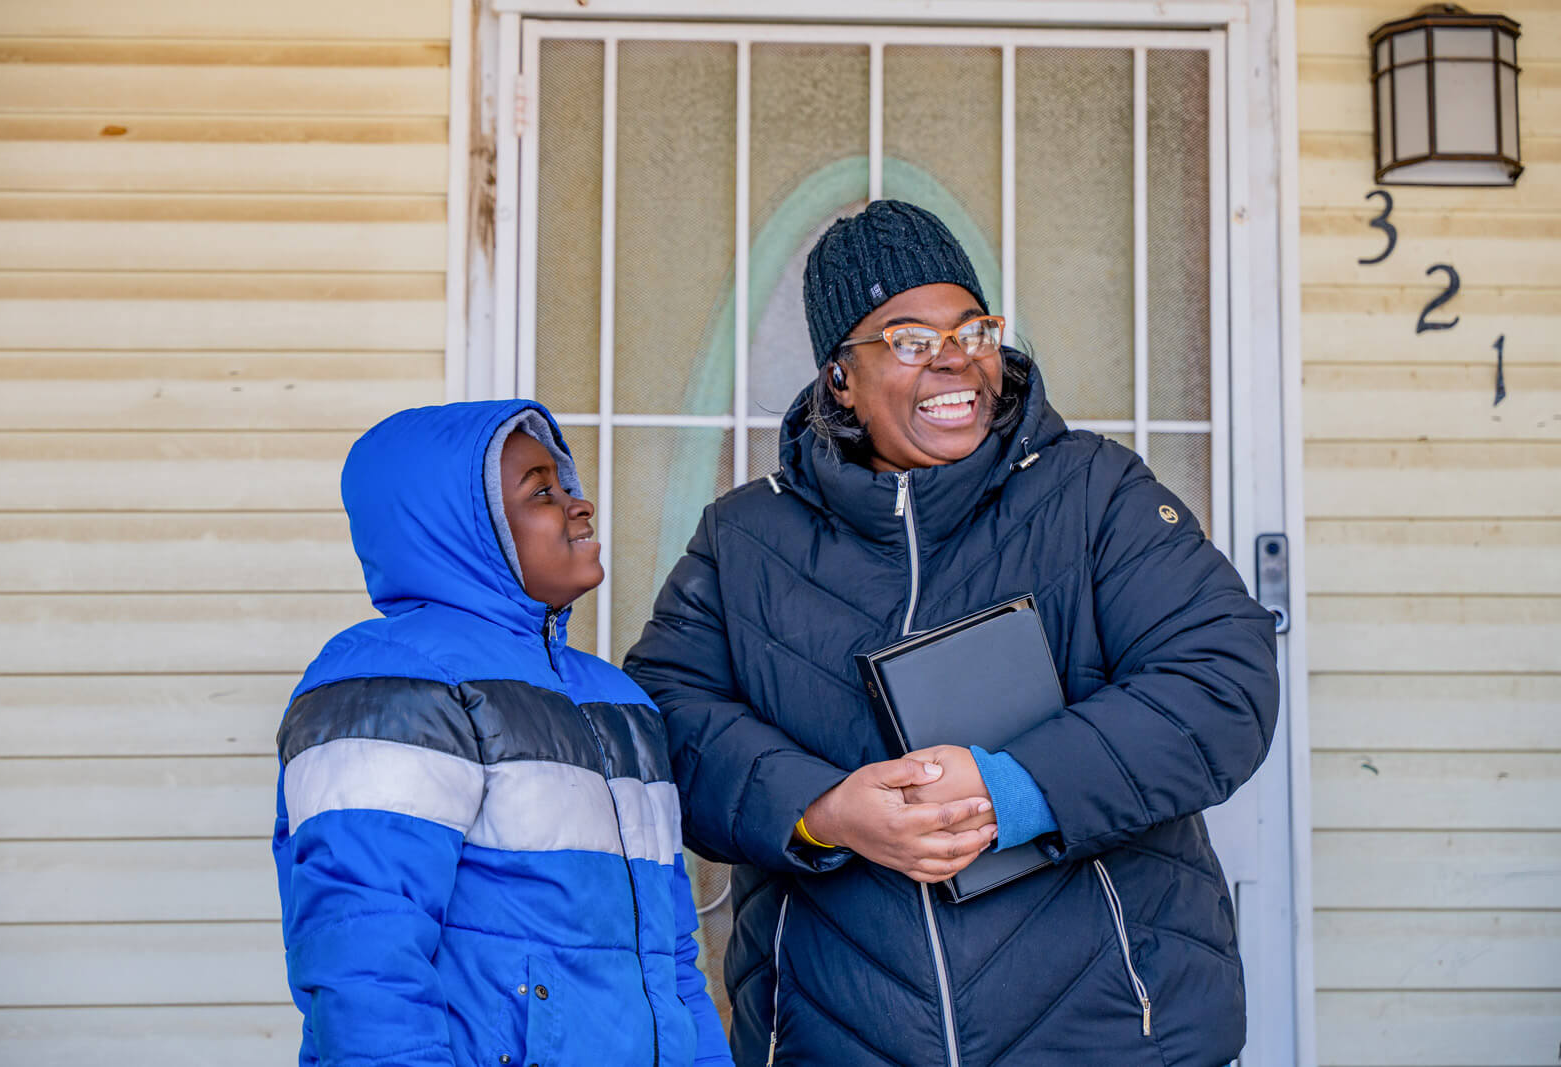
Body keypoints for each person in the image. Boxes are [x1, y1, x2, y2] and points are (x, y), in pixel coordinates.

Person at [624, 200, 1278, 1066]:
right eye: (906, 338)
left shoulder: (1093, 492)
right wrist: (823, 813)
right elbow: (665, 723)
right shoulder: (746, 539)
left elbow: (1221, 680)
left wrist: (1012, 789)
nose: (954, 360)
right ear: (839, 378)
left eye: (972, 328)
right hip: (837, 1038)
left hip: (1114, 1033)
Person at [272, 399, 733, 1067]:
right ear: (462, 528)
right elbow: (365, 960)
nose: (580, 506)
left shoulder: (619, 699)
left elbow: (671, 958)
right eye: (541, 491)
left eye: (565, 484)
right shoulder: (393, 679)